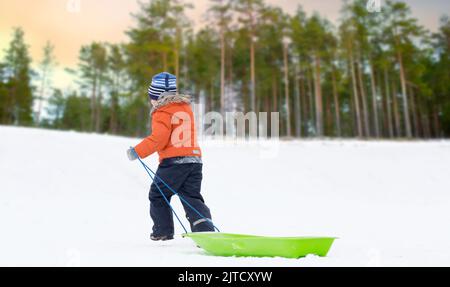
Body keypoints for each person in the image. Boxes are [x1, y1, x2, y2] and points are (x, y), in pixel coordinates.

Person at [127, 72, 215, 241]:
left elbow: (159, 139)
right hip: (194, 161)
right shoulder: (185, 108)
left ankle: (162, 231)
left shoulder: (162, 111)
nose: (151, 101)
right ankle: (205, 231)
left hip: (174, 163)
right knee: (192, 197)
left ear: (158, 97)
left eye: (152, 97)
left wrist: (137, 151)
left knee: (158, 194)